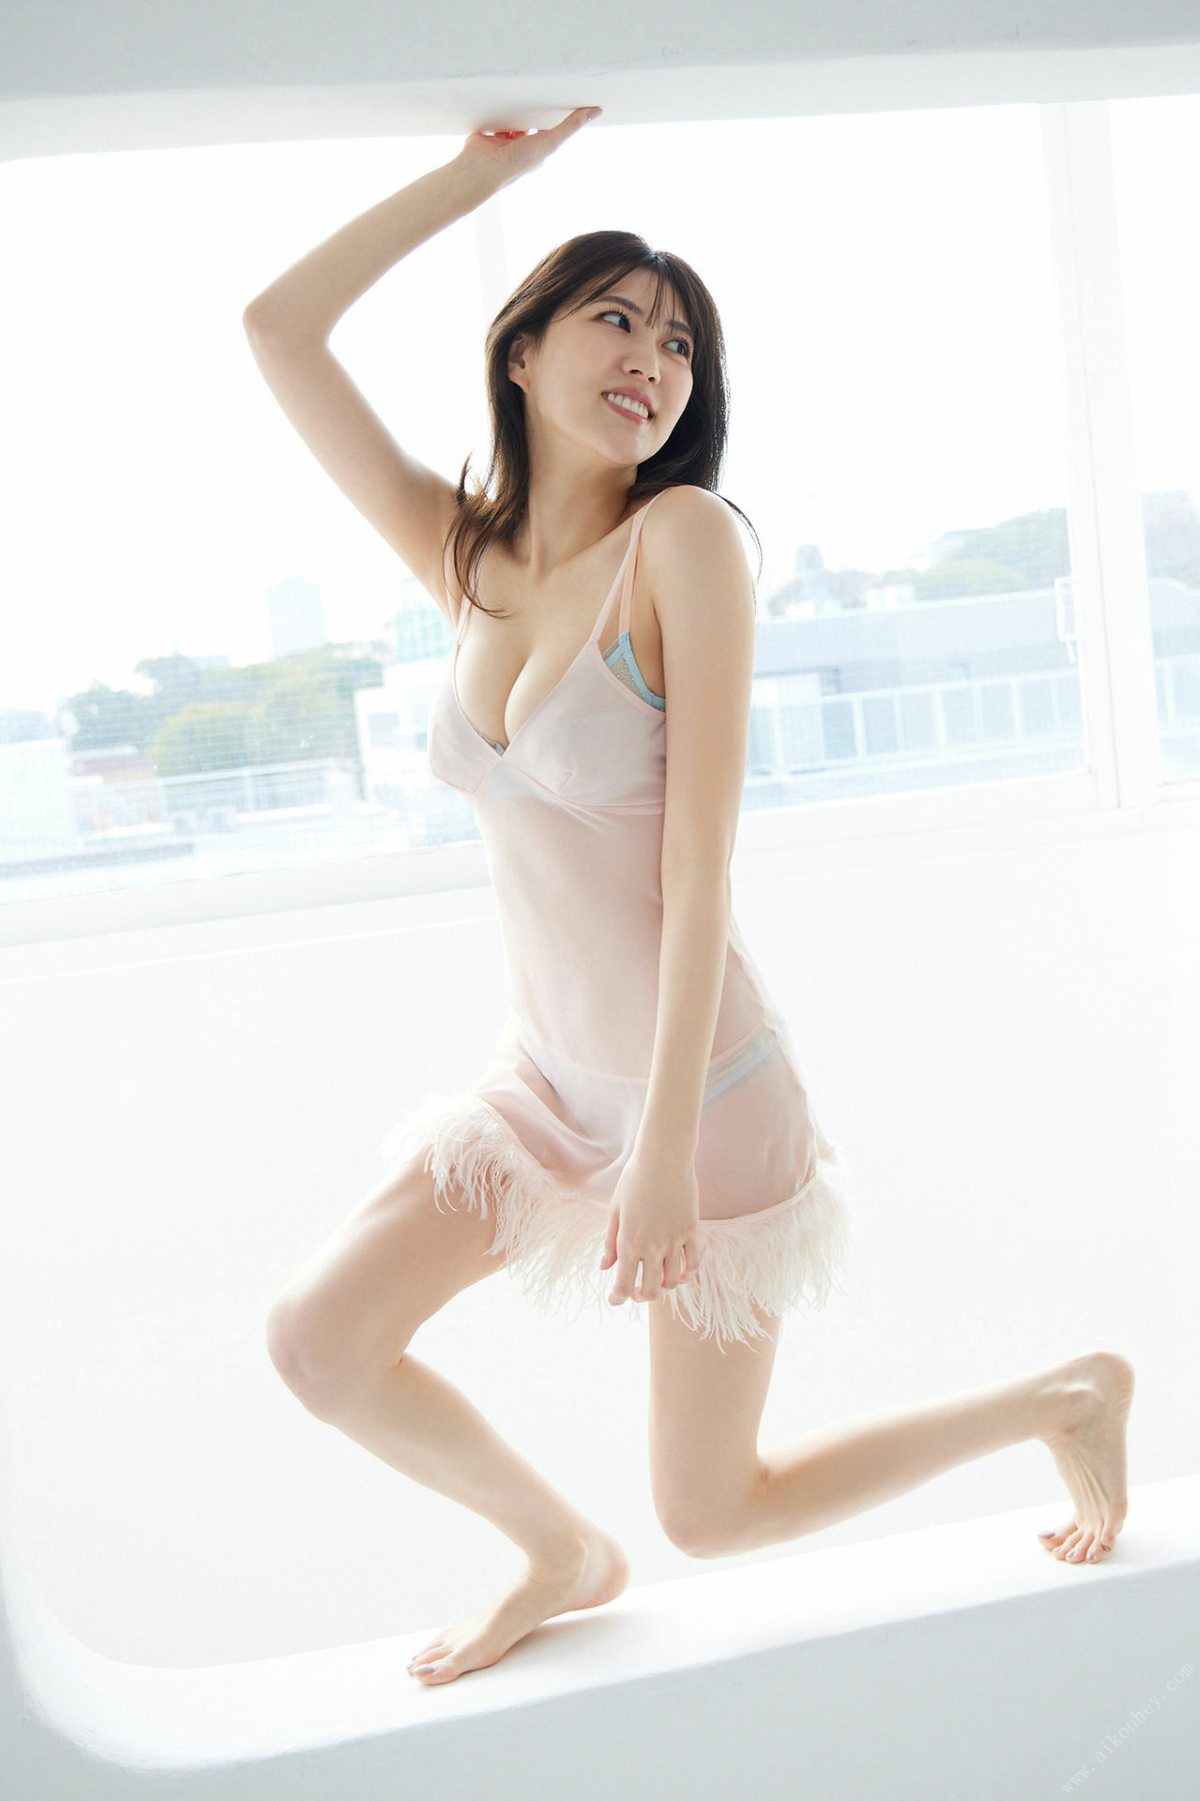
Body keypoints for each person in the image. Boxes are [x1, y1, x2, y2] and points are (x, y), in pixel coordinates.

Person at [245, 107, 1134, 1688]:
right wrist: (482, 178)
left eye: (678, 345)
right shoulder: (467, 559)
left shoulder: (687, 542)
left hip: (704, 1092)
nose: (651, 360)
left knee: (713, 1511)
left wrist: (659, 1152)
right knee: (317, 1339)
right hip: (545, 1079)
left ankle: (1059, 1399)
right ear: (522, 349)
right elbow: (277, 327)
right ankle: (558, 1551)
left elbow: (700, 863)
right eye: (614, 319)